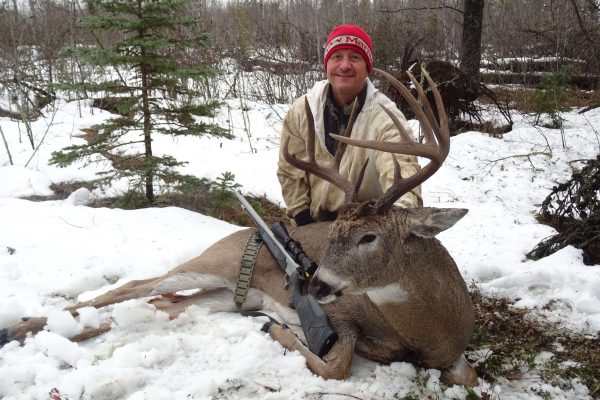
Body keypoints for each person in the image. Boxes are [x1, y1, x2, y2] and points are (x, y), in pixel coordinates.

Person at [277, 24, 422, 226]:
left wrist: (400, 213)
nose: (344, 65)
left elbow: (402, 167)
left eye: (355, 57)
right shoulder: (303, 110)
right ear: (327, 64)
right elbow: (289, 170)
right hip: (313, 223)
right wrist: (302, 217)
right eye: (337, 57)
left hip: (366, 229)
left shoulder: (386, 117)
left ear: (367, 67)